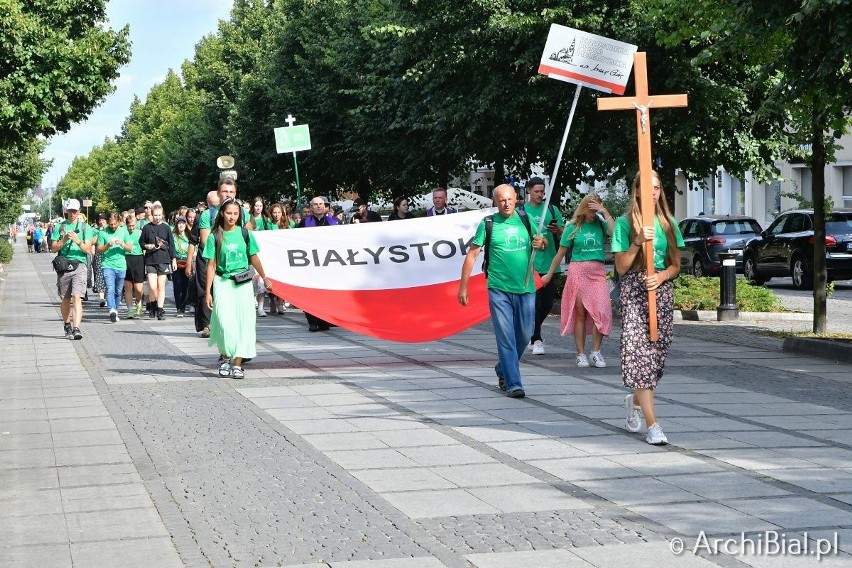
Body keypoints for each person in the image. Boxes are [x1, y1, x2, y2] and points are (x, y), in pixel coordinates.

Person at [612, 171, 684, 446]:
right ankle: (654, 426)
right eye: (647, 187)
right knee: (640, 356)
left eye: (656, 186)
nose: (652, 191)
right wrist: (637, 241)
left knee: (655, 360)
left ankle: (636, 399)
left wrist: (663, 276)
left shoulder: (668, 224)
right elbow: (620, 267)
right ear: (637, 191)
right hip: (633, 291)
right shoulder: (623, 223)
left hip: (661, 293)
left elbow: (676, 265)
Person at [458, 184, 547, 398]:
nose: (506, 204)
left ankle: (502, 367)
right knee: (505, 336)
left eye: (509, 199)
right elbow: (472, 255)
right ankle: (513, 383)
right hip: (499, 288)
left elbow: (541, 243)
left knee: (525, 334)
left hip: (526, 286)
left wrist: (541, 242)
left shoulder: (525, 220)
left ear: (516, 198)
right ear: (495, 202)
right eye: (501, 200)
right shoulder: (488, 223)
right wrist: (463, 286)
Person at [542, 194, 614, 367]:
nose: (592, 213)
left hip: (597, 272)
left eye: (595, 209)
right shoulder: (573, 226)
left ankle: (596, 351)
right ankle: (580, 353)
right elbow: (560, 253)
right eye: (590, 209)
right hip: (578, 272)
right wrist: (549, 274)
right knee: (581, 313)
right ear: (583, 208)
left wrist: (604, 212)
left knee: (602, 311)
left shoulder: (600, 223)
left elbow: (614, 232)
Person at [203, 199, 273, 379]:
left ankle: (237, 364)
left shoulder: (245, 234)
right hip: (223, 281)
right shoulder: (214, 236)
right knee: (225, 323)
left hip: (242, 283)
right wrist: (208, 291)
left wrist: (265, 278)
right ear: (222, 214)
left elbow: (254, 257)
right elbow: (211, 265)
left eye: (235, 213)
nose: (232, 217)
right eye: (228, 213)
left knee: (244, 323)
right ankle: (225, 358)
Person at [522, 177, 565, 355]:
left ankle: (531, 333)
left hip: (550, 263)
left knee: (547, 303)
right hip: (529, 264)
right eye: (536, 191)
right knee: (534, 304)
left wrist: (558, 231)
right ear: (528, 191)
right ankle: (536, 339)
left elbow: (565, 234)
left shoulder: (552, 210)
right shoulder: (521, 212)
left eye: (542, 191)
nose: (540, 194)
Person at [51, 199, 97, 339]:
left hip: (80, 264)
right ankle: (67, 324)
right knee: (65, 299)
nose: (72, 213)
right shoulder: (60, 226)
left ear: (79, 212)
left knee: (77, 297)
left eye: (75, 211)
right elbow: (53, 248)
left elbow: (88, 249)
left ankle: (76, 328)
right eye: (70, 211)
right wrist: (64, 240)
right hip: (64, 265)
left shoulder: (85, 228)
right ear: (66, 211)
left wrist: (77, 240)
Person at [297, 196, 339, 331]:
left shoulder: (334, 222)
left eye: (321, 204)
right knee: (311, 293)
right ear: (311, 207)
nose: (319, 206)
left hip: (328, 263)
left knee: (327, 293)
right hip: (311, 264)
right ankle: (312, 321)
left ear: (325, 206)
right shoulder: (304, 223)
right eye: (315, 204)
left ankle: (325, 319)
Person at [139, 205, 176, 320]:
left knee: (161, 287)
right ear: (152, 215)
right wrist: (146, 245)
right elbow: (141, 242)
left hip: (163, 260)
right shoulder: (147, 228)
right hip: (150, 260)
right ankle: (152, 304)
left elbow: (171, 244)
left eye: (159, 215)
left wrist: (173, 259)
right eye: (155, 215)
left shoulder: (166, 228)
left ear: (162, 215)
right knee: (152, 286)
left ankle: (160, 310)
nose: (157, 217)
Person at [96, 212, 133, 322]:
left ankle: (115, 311)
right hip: (107, 265)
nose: (112, 226)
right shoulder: (103, 233)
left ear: (119, 222)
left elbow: (130, 248)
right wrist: (108, 245)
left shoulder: (124, 231)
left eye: (115, 224)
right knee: (110, 288)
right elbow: (99, 249)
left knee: (118, 291)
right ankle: (111, 309)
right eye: (111, 224)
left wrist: (122, 244)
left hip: (121, 265)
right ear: (107, 222)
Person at [246, 197, 277, 317]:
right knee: (251, 279)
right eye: (256, 205)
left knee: (261, 280)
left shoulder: (266, 220)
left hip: (263, 254)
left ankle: (261, 307)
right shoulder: (248, 219)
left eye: (260, 206)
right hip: (251, 254)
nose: (258, 208)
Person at [123, 214, 146, 318]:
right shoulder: (123, 232)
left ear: (135, 224)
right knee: (128, 286)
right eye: (129, 226)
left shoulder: (140, 233)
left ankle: (139, 301)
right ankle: (129, 310)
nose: (131, 228)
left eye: (133, 225)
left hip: (138, 259)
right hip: (126, 258)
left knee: (138, 288)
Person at [172, 216, 191, 317]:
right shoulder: (173, 236)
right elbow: (171, 249)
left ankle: (183, 307)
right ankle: (178, 307)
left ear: (186, 225)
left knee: (186, 286)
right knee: (177, 286)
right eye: (179, 223)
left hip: (187, 262)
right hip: (177, 262)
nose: (181, 225)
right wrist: (173, 260)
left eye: (183, 223)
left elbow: (194, 248)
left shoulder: (189, 236)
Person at [90, 214, 108, 307]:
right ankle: (101, 298)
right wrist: (99, 234)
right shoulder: (95, 230)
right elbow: (92, 242)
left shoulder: (110, 230)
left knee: (108, 275)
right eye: (100, 220)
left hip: (109, 255)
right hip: (99, 254)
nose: (102, 222)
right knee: (99, 275)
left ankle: (107, 296)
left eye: (103, 220)